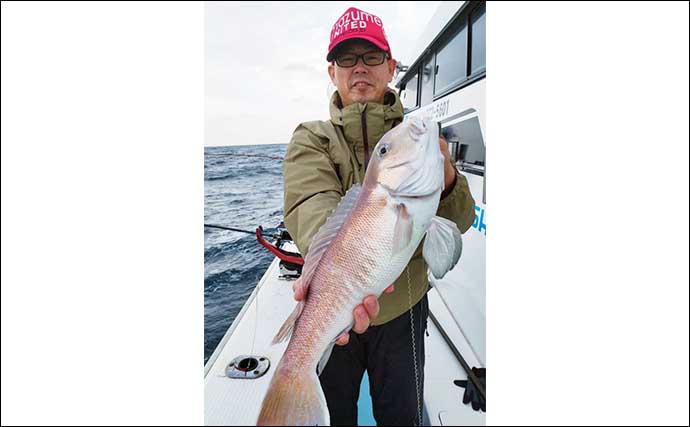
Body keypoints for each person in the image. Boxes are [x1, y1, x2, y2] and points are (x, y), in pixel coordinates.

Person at [282, 7, 476, 426]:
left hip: (404, 307)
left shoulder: (419, 137)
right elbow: (312, 210)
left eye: (370, 57)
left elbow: (460, 220)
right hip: (338, 314)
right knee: (335, 415)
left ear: (390, 66)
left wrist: (445, 182)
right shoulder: (312, 138)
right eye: (347, 59)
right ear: (332, 72)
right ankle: (293, 384)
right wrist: (348, 278)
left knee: (402, 416)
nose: (359, 69)